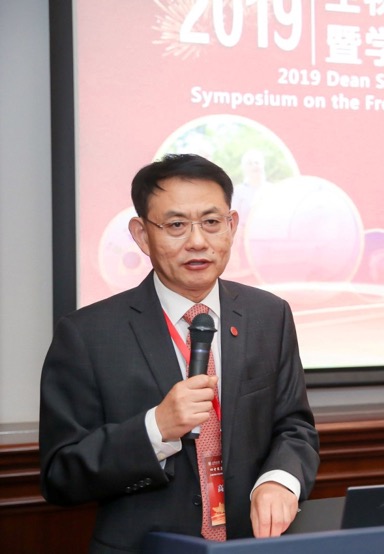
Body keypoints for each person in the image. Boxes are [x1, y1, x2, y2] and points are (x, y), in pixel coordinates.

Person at [39, 153, 320, 553]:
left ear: (232, 225)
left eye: (211, 222)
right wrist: (156, 428)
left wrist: (280, 479)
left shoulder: (269, 315)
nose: (197, 242)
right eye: (175, 225)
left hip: (251, 544)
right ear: (141, 235)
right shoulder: (87, 334)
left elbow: (294, 426)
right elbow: (60, 474)